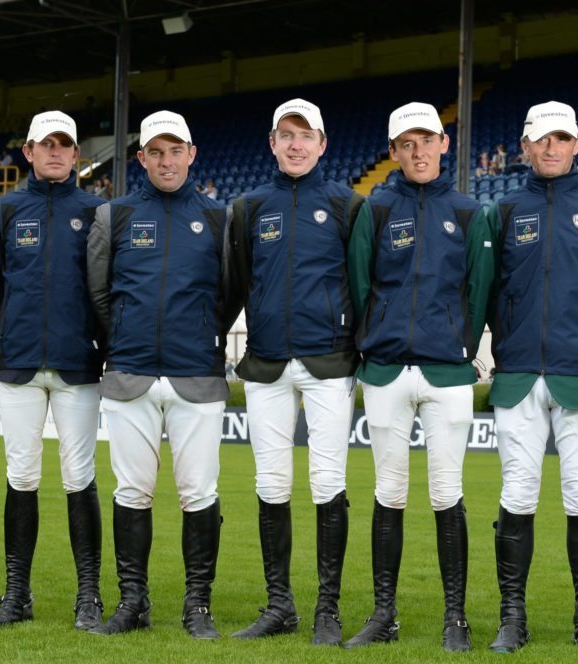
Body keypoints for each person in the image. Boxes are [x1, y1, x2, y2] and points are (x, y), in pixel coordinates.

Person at [485, 101, 578, 656]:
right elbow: (488, 292)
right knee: (517, 495)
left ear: (577, 145)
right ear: (525, 146)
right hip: (519, 375)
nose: (552, 149)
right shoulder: (500, 211)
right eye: (542, 140)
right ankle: (512, 619)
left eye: (562, 139)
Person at [345, 102, 493, 652]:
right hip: (384, 370)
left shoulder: (471, 211)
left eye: (427, 140)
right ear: (393, 152)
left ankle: (455, 617)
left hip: (448, 372)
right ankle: (385, 614)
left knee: (447, 491)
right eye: (407, 144)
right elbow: (361, 285)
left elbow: (479, 292)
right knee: (389, 491)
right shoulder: (375, 209)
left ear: (444, 143)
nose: (418, 152)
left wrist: (462, 345)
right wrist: (374, 339)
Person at [86, 110, 235, 638]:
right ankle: (133, 602)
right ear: (141, 157)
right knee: (132, 491)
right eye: (156, 152)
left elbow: (228, 294)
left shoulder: (220, 218)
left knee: (199, 491)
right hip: (129, 374)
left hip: (197, 375)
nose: (166, 160)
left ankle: (198, 605)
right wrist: (125, 335)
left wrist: (198, 334)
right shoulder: (115, 216)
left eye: (176, 151)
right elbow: (100, 294)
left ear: (191, 154)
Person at [229, 98, 365, 646]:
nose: (295, 144)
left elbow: (362, 283)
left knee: (328, 482)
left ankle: (326, 610)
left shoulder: (346, 204)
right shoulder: (248, 206)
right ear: (272, 142)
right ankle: (279, 605)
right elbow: (236, 282)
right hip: (265, 364)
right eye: (286, 134)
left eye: (305, 135)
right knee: (271, 483)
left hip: (329, 362)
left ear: (322, 144)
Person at [0, 110, 106, 630]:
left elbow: (105, 288)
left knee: (80, 478)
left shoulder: (99, 211)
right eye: (44, 144)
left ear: (77, 155)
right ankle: (16, 596)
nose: (54, 152)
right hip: (20, 366)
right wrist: (9, 335)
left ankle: (90, 596)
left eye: (64, 144)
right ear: (27, 152)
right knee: (21, 476)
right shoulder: (4, 211)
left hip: (78, 364)